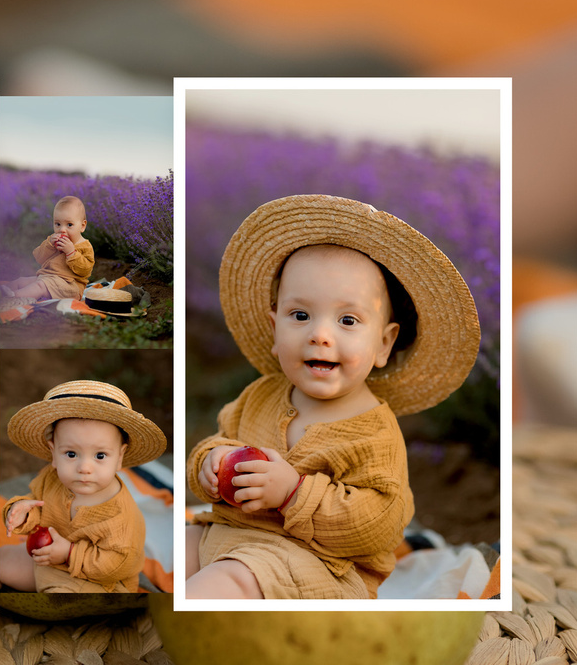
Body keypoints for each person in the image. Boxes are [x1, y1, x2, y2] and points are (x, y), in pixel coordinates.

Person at [182, 195, 481, 599]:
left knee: (225, 580)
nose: (320, 334)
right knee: (176, 547)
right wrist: (210, 462)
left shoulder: (375, 435)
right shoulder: (261, 394)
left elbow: (378, 526)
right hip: (232, 536)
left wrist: (293, 493)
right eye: (300, 315)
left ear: (384, 344)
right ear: (274, 329)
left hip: (318, 567)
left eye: (348, 320)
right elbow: (222, 437)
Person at [0, 380, 161, 593]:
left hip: (97, 582)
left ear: (119, 457)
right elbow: (38, 504)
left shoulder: (121, 515)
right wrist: (23, 513)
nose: (84, 468)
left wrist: (69, 553)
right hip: (47, 561)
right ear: (53, 453)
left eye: (100, 456)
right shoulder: (51, 480)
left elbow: (117, 564)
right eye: (71, 454)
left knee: (60, 597)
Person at [0, 195, 93, 300]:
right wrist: (49, 245)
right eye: (58, 224)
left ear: (82, 226)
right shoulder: (52, 241)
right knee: (21, 281)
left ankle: (13, 298)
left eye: (69, 225)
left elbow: (85, 270)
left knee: (40, 286)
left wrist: (71, 253)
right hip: (47, 278)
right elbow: (39, 257)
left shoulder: (85, 246)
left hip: (69, 286)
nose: (62, 229)